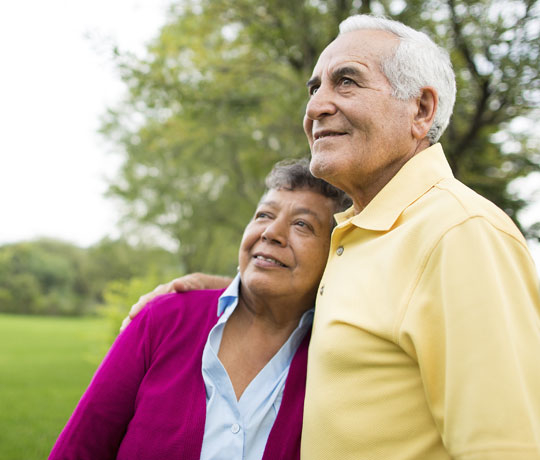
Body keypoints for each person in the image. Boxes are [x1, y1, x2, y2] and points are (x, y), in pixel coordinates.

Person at [127, 14, 540, 459]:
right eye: (314, 87)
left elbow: (504, 448)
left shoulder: (460, 234)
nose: (316, 107)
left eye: (347, 82)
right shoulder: (361, 233)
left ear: (421, 110)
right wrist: (238, 291)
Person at [48, 159, 351, 460]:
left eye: (302, 224)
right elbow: (78, 449)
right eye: (263, 215)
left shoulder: (338, 359)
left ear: (335, 253)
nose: (271, 232)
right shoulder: (163, 319)